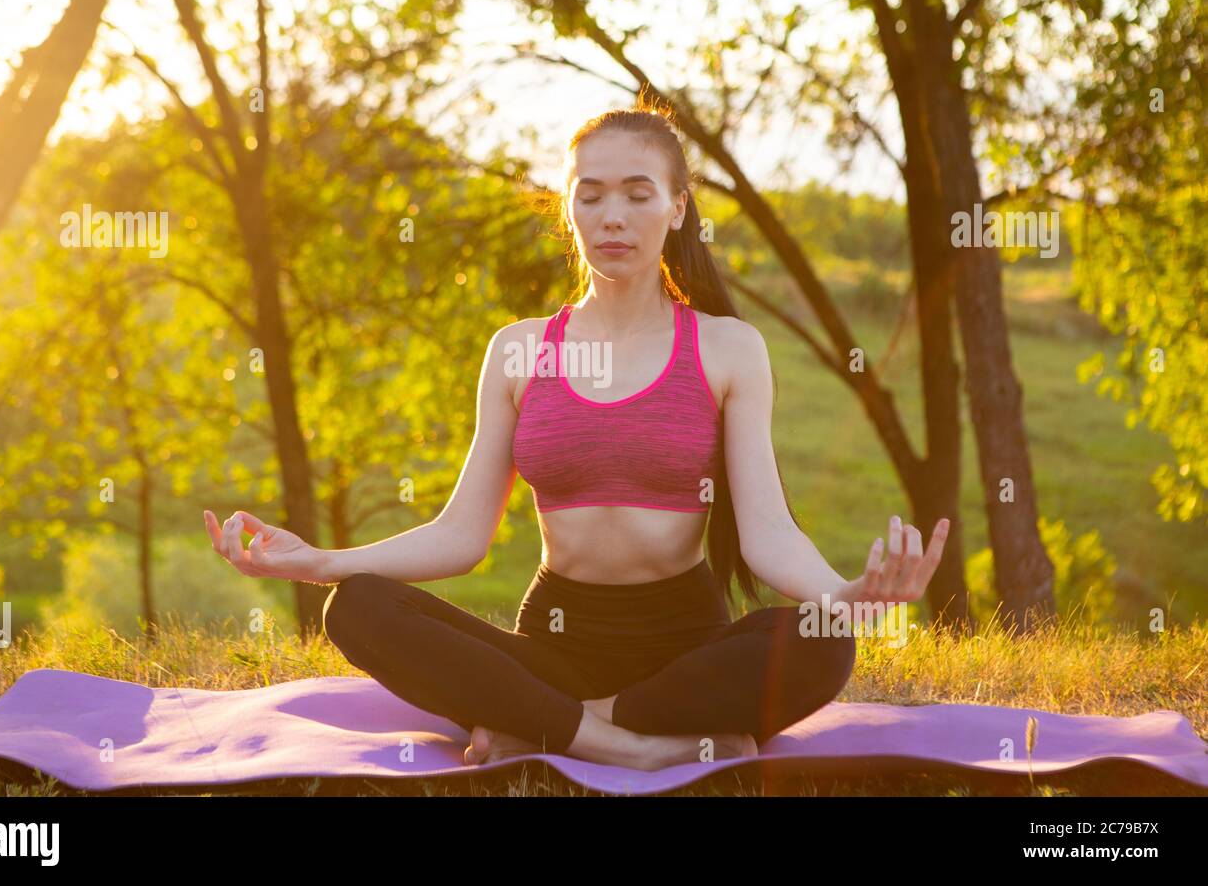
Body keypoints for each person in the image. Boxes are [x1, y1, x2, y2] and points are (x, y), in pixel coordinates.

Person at [204, 98, 950, 772]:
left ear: (679, 209)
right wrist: (318, 562)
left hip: (687, 651)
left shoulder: (728, 349)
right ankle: (626, 745)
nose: (612, 216)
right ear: (569, 212)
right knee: (357, 606)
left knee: (823, 640)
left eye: (637, 193)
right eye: (589, 197)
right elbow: (463, 535)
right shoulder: (519, 350)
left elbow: (768, 537)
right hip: (554, 651)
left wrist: (845, 596)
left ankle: (544, 729)